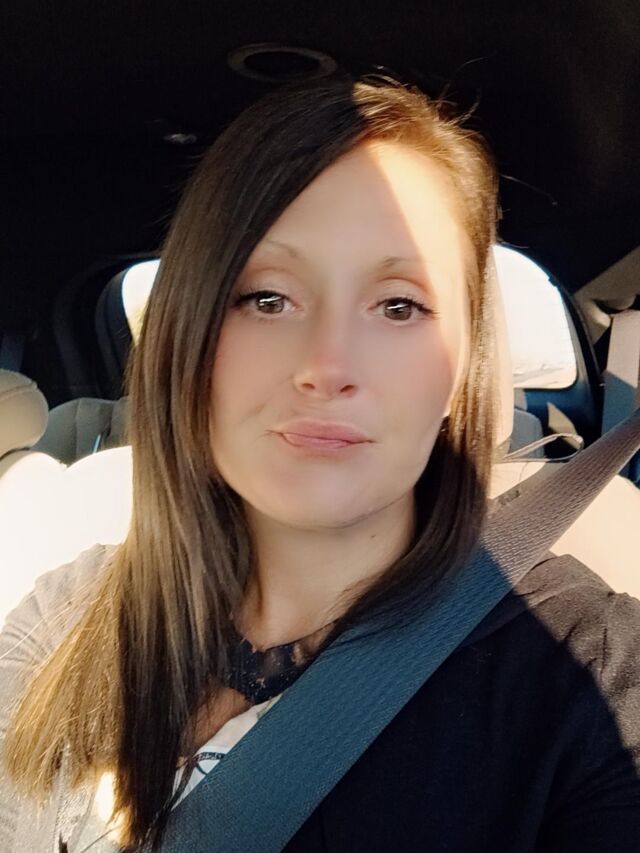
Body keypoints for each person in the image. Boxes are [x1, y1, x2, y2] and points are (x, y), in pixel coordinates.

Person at [1, 75, 639, 853]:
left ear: (461, 365)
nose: (326, 366)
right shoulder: (63, 617)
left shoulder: (587, 670)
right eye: (267, 298)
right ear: (187, 336)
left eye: (399, 305)